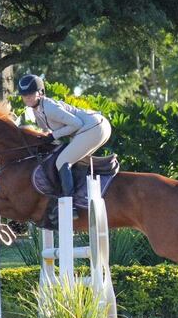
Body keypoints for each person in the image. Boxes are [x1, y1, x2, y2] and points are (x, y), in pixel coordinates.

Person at [18, 74, 112, 217]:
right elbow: (48, 134)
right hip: (95, 127)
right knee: (73, 160)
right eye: (24, 95)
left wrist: (53, 136)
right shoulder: (37, 111)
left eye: (31, 94)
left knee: (62, 161)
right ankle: (81, 195)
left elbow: (76, 124)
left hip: (93, 127)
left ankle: (70, 204)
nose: (27, 98)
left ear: (40, 92)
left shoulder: (49, 107)